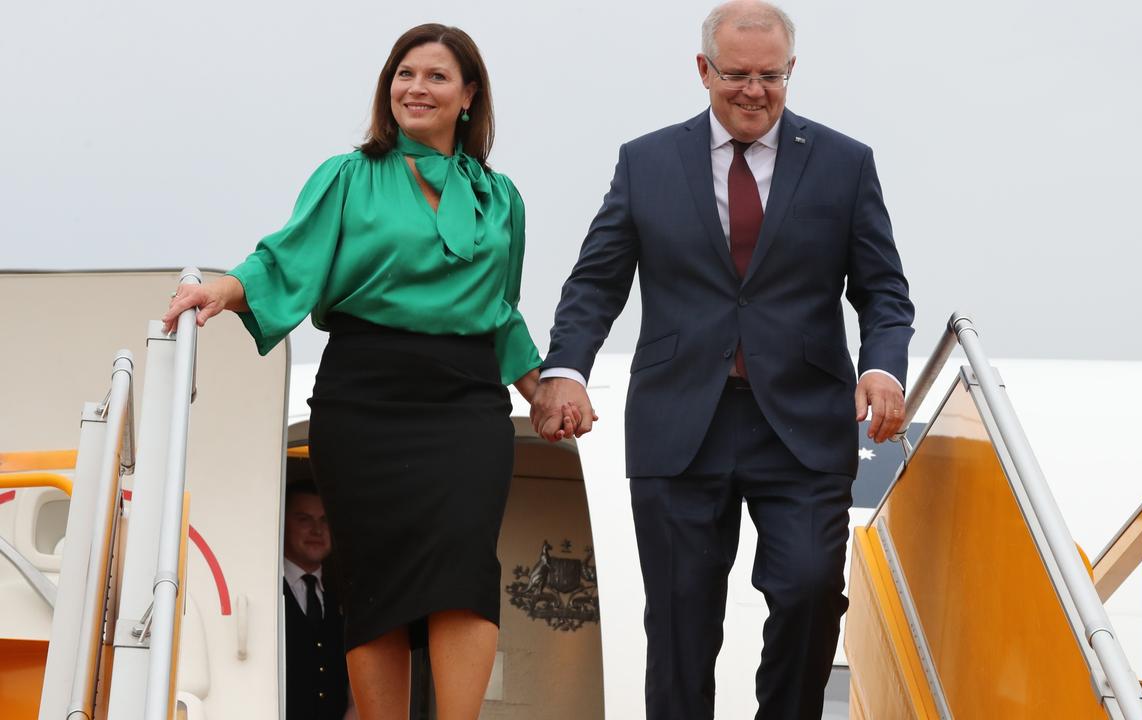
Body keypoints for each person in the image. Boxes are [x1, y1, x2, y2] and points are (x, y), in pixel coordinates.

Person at [162, 24, 566, 720]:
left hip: (467, 402)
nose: (415, 87)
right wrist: (223, 293)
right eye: (403, 74)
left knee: (466, 570)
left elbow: (500, 312)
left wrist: (544, 390)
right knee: (373, 579)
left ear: (469, 96)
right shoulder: (348, 176)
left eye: (436, 76)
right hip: (364, 397)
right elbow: (285, 258)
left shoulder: (502, 198)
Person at [531, 2, 915, 718]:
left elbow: (884, 291)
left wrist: (882, 367)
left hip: (802, 424)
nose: (752, 90)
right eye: (736, 74)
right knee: (679, 624)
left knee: (807, 593)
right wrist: (565, 371)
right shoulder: (646, 162)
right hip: (680, 423)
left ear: (791, 71)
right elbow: (596, 282)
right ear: (703, 70)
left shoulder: (844, 163)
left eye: (770, 75)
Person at [280, 478, 355, 720]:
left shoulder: (344, 597)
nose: (317, 530)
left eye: (325, 520)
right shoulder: (266, 590)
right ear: (282, 523)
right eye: (304, 519)